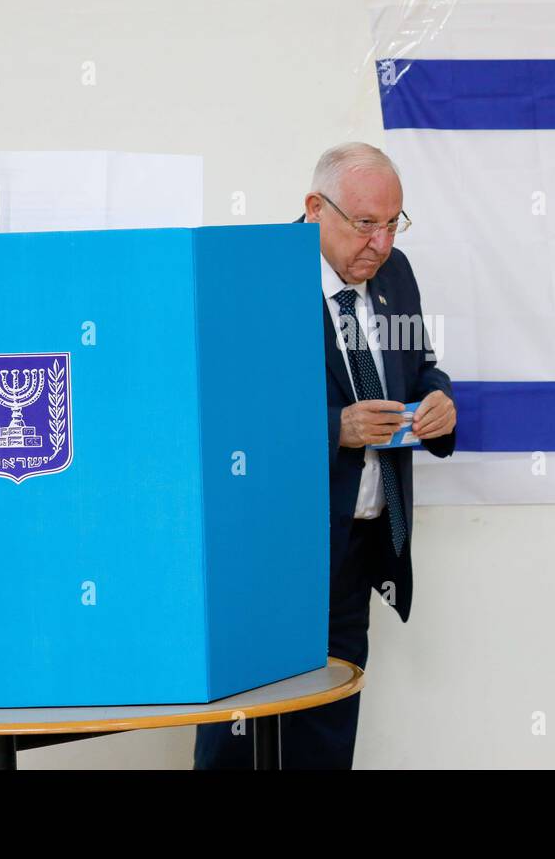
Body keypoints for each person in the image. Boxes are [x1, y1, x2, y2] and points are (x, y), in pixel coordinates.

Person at [193, 142, 457, 769]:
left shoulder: (396, 275)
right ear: (314, 208)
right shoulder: (252, 279)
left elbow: (417, 367)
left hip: (355, 553)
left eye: (394, 223)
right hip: (268, 554)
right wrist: (331, 429)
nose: (381, 242)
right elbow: (218, 422)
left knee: (325, 737)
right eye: (365, 223)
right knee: (241, 737)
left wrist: (438, 397)